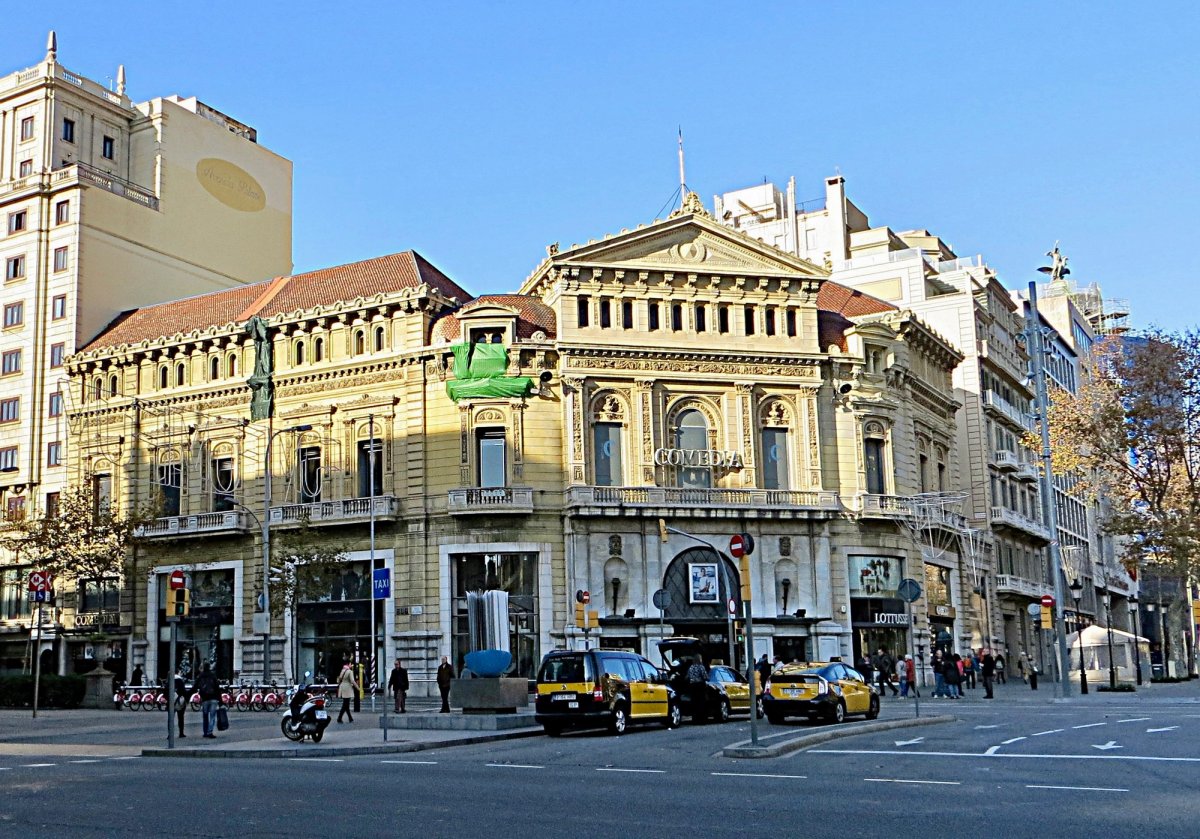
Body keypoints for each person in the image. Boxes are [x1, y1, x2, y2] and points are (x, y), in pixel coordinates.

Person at [195, 663, 221, 739]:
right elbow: (217, 688)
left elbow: (196, 686)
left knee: (205, 716)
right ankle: (210, 731)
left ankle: (205, 732)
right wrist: (221, 700)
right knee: (212, 716)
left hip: (205, 699)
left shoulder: (201, 675)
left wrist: (187, 694)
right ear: (209, 667)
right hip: (213, 698)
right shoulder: (213, 675)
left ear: (203, 667)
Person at [686, 654, 709, 720]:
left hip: (692, 686)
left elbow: (687, 677)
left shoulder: (691, 667)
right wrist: (708, 678)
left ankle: (695, 718)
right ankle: (702, 718)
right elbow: (705, 677)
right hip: (700, 686)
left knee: (694, 702)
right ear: (699, 659)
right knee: (701, 702)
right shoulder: (701, 667)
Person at [173, 669, 188, 738]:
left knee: (170, 718)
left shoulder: (169, 680)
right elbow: (183, 691)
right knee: (180, 717)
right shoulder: (180, 680)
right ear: (178, 672)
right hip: (179, 701)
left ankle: (170, 734)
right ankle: (181, 733)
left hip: (171, 701)